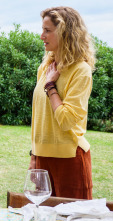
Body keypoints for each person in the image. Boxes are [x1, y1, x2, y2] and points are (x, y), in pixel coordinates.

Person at [29, 6, 95, 199]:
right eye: (42, 29)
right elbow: (38, 115)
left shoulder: (80, 70)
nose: (42, 35)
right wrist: (34, 155)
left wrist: (51, 87)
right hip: (42, 160)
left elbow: (66, 120)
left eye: (48, 30)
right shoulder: (46, 67)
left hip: (70, 159)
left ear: (66, 33)